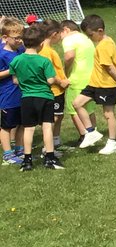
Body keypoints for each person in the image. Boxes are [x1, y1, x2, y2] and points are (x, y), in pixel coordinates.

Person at [10, 25, 68, 170]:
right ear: (41, 44)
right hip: (45, 97)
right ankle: (50, 158)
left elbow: (15, 81)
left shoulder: (16, 60)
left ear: (23, 43)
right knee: (47, 127)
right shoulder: (44, 61)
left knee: (28, 129)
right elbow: (50, 80)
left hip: (26, 98)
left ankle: (27, 160)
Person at [74, 14, 116, 156]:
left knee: (108, 113)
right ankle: (91, 132)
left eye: (90, 35)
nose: (89, 38)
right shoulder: (107, 41)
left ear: (100, 31)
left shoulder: (104, 45)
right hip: (94, 83)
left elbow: (109, 67)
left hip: (106, 85)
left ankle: (113, 143)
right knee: (77, 103)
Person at [60, 19, 96, 143]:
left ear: (66, 30)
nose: (60, 38)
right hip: (91, 77)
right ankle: (93, 132)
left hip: (76, 78)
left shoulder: (68, 39)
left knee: (73, 108)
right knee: (88, 108)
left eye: (60, 34)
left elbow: (69, 56)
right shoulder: (86, 38)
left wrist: (65, 72)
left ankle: (85, 135)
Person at [36, 20, 68, 152]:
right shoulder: (45, 51)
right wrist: (61, 82)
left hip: (58, 91)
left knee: (59, 115)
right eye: (60, 33)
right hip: (52, 91)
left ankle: (56, 141)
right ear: (54, 34)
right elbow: (47, 72)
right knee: (52, 119)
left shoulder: (49, 49)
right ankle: (47, 148)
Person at [0, 18, 24, 165]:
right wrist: (11, 70)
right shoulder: (1, 54)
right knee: (7, 126)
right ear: (5, 37)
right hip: (8, 96)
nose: (20, 41)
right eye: (16, 38)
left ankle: (20, 150)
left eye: (21, 37)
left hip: (23, 93)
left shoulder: (21, 50)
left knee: (22, 123)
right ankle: (7, 154)